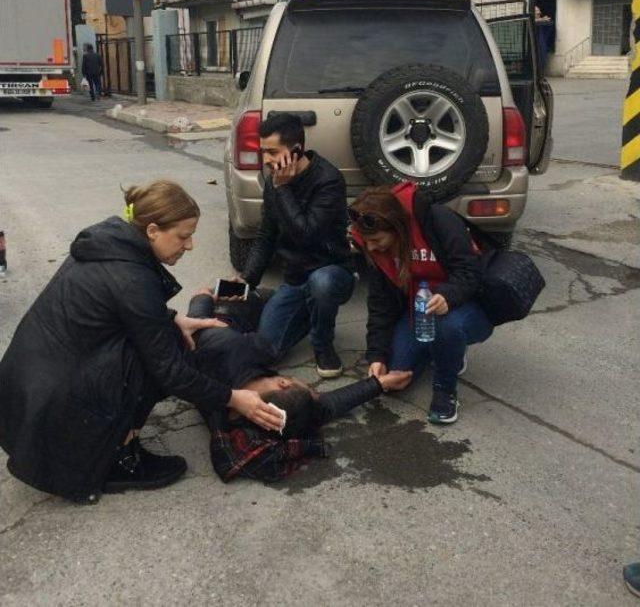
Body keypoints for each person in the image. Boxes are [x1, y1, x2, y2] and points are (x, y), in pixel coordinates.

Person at [0, 180, 284, 504]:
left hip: (28, 392)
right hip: (55, 405)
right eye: (183, 235)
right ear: (152, 230)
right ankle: (120, 458)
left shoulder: (109, 244)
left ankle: (116, 436)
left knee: (168, 336)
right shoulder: (133, 278)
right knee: (163, 358)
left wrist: (172, 317)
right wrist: (234, 398)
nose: (190, 245)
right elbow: (171, 373)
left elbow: (111, 307)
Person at [187, 290, 412, 482]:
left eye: (310, 389)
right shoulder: (250, 414)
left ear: (282, 383)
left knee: (263, 309)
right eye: (310, 388)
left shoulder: (227, 364)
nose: (315, 391)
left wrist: (203, 295)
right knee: (285, 308)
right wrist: (377, 384)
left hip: (218, 320)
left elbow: (197, 319)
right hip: (229, 320)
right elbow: (325, 408)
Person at [349, 182, 494, 425]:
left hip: (464, 306)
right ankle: (442, 349)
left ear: (397, 228)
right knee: (394, 379)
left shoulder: (438, 220)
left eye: (376, 239)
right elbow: (380, 304)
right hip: (418, 311)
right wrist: (377, 356)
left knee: (446, 325)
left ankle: (445, 390)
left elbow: (471, 272)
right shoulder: (372, 247)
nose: (372, 247)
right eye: (367, 242)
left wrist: (448, 295)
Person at [237, 112, 355, 378]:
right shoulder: (274, 182)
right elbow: (265, 236)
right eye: (263, 152)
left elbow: (307, 235)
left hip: (332, 272)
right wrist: (247, 281)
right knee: (267, 351)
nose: (266, 160)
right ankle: (288, 306)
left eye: (272, 152)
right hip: (294, 279)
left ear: (296, 150)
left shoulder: (328, 180)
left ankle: (323, 343)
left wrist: (283, 190)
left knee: (321, 283)